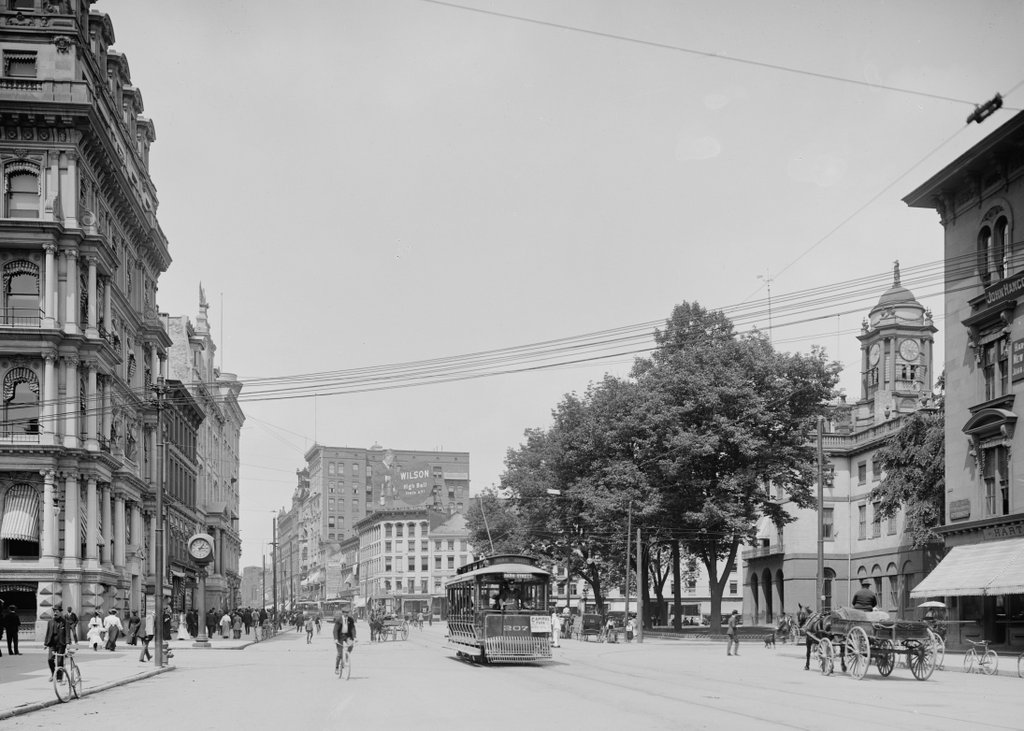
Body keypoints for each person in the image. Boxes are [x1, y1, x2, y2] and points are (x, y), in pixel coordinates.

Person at [44, 606, 68, 682]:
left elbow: (67, 634)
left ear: (60, 613)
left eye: (57, 612)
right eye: (54, 612)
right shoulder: (50, 622)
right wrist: (45, 644)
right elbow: (48, 633)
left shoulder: (65, 622)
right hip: (52, 644)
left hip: (61, 644)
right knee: (50, 659)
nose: (55, 613)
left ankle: (59, 677)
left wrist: (68, 643)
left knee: (59, 661)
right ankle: (53, 673)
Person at [334, 608, 357, 674]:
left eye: (347, 612)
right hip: (339, 637)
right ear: (342, 613)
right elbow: (335, 630)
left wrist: (354, 637)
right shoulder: (339, 620)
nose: (346, 614)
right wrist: (335, 639)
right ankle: (337, 668)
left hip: (347, 636)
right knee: (339, 654)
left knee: (351, 644)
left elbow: (353, 628)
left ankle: (347, 657)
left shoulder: (350, 619)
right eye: (345, 612)